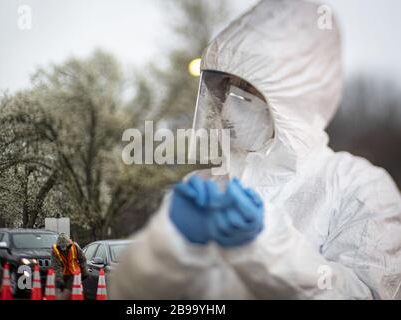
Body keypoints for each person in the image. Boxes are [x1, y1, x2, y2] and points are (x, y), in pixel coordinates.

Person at [110, 0, 401, 300]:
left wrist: (267, 245)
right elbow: (128, 294)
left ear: (298, 97)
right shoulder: (202, 186)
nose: (228, 108)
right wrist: (169, 249)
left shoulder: (360, 188)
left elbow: (369, 294)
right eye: (225, 87)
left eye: (246, 89)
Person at [50, 233, 87, 299]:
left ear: (69, 245)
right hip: (63, 275)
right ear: (58, 246)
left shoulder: (75, 247)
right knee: (62, 293)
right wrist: (59, 280)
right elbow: (56, 267)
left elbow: (83, 260)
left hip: (75, 274)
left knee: (72, 292)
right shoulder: (55, 251)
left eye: (66, 247)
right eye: (61, 248)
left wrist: (84, 272)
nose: (64, 250)